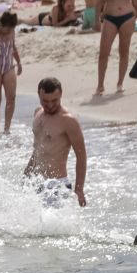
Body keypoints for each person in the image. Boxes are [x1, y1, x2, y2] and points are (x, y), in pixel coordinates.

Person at [24, 77, 87, 207]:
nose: (50, 105)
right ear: (39, 96)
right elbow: (38, 149)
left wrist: (79, 189)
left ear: (61, 95)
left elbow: (81, 156)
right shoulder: (37, 113)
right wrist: (27, 174)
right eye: (45, 101)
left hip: (57, 185)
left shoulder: (68, 121)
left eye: (54, 100)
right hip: (36, 181)